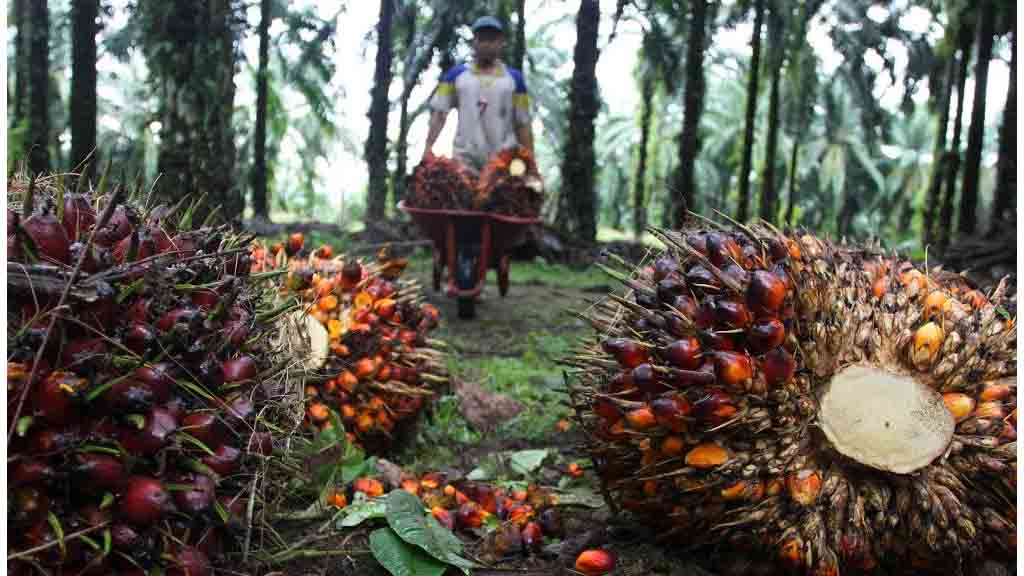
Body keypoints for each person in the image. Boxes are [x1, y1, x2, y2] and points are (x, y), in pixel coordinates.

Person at [422, 16, 534, 175]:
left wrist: (531, 163)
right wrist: (427, 149)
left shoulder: (514, 79)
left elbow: (523, 124)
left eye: (492, 39)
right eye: (482, 39)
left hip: (504, 163)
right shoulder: (456, 76)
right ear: (474, 42)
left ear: (501, 42)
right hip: (464, 163)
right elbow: (439, 114)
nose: (486, 44)